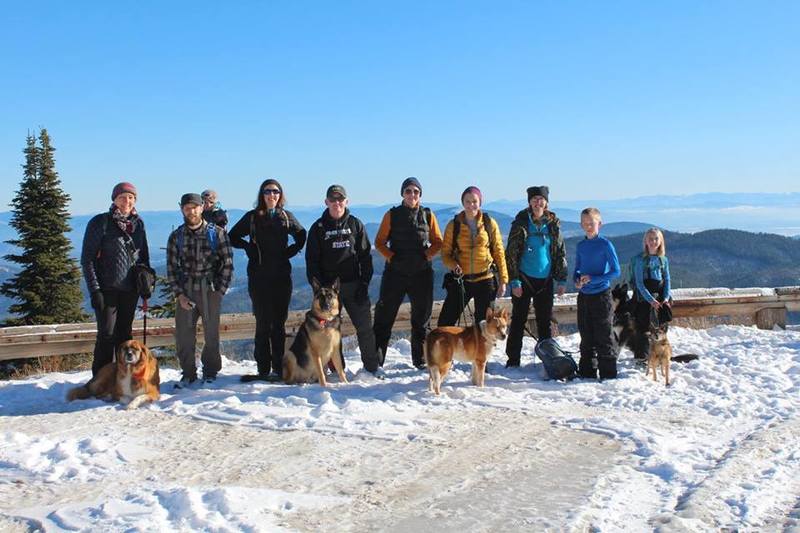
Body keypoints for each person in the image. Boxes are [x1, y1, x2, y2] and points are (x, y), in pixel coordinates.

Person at [229, 179, 307, 381]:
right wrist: (248, 247)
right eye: (267, 191)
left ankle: (279, 367)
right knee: (263, 323)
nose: (272, 195)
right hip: (258, 276)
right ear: (261, 195)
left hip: (281, 276)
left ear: (280, 195)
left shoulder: (286, 217)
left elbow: (301, 234)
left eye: (276, 191)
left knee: (279, 324)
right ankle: (263, 368)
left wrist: (291, 251)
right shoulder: (252, 217)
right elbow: (232, 236)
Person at [305, 184, 381, 375]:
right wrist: (318, 290)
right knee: (330, 332)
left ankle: (372, 368)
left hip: (354, 285)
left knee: (364, 328)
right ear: (326, 202)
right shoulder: (317, 228)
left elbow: (365, 256)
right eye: (333, 199)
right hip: (328, 292)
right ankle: (338, 370)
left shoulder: (355, 224)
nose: (337, 203)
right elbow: (311, 261)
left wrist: (364, 283)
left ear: (347, 201)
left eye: (340, 199)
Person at [373, 177, 444, 369]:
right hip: (395, 272)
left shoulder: (428, 215)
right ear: (402, 194)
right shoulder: (392, 215)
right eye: (408, 191)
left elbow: (438, 241)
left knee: (422, 320)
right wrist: (392, 257)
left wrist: (426, 256)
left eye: (416, 191)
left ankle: (421, 361)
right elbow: (379, 242)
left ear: (420, 195)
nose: (412, 195)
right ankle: (376, 362)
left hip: (421, 273)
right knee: (384, 318)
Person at [81, 182, 151, 377]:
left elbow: (143, 257)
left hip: (130, 290)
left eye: (130, 197)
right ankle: (101, 380)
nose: (126, 201)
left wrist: (146, 282)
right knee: (106, 335)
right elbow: (87, 260)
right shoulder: (100, 223)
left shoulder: (138, 224)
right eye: (122, 197)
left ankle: (124, 378)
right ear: (114, 199)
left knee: (124, 336)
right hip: (106, 289)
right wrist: (95, 290)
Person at [167, 193, 234, 387]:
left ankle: (210, 371)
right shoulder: (176, 236)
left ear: (202, 207)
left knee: (211, 334)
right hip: (186, 289)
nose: (191, 211)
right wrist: (179, 294)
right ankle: (188, 372)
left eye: (194, 207)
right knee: (184, 334)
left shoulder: (217, 233)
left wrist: (220, 290)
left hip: (210, 288)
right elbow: (171, 268)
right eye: (187, 208)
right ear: (182, 210)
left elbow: (228, 263)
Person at [504, 185, 567, 367]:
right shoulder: (521, 224)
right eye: (534, 199)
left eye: (541, 199)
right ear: (529, 203)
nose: (538, 202)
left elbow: (559, 253)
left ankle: (548, 359)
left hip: (545, 280)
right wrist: (514, 281)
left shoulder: (553, 225)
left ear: (546, 202)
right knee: (518, 319)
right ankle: (513, 359)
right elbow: (511, 254)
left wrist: (561, 279)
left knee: (544, 321)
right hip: (523, 279)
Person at [438, 186, 508, 327]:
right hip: (462, 280)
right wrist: (453, 266)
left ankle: (479, 350)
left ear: (480, 202)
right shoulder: (454, 225)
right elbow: (445, 253)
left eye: (474, 201)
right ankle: (444, 349)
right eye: (467, 201)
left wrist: (503, 280)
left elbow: (499, 252)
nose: (471, 205)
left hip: (486, 280)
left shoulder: (489, 223)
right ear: (462, 203)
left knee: (483, 327)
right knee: (445, 322)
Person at [574, 207, 621, 380]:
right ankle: (587, 373)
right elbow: (577, 269)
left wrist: (593, 279)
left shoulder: (605, 244)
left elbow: (615, 271)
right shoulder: (581, 245)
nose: (588, 226)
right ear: (581, 224)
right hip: (584, 296)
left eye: (592, 223)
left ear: (599, 224)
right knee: (586, 335)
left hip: (601, 295)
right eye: (585, 223)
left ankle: (608, 375)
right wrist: (577, 280)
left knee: (604, 335)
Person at [630, 227, 673, 359]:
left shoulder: (663, 259)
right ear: (645, 241)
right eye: (650, 239)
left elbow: (667, 279)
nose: (653, 241)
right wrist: (651, 300)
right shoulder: (639, 260)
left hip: (660, 298)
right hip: (644, 299)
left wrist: (665, 298)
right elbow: (639, 283)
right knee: (643, 329)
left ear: (660, 241)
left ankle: (660, 355)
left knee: (660, 328)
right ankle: (642, 357)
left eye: (656, 238)